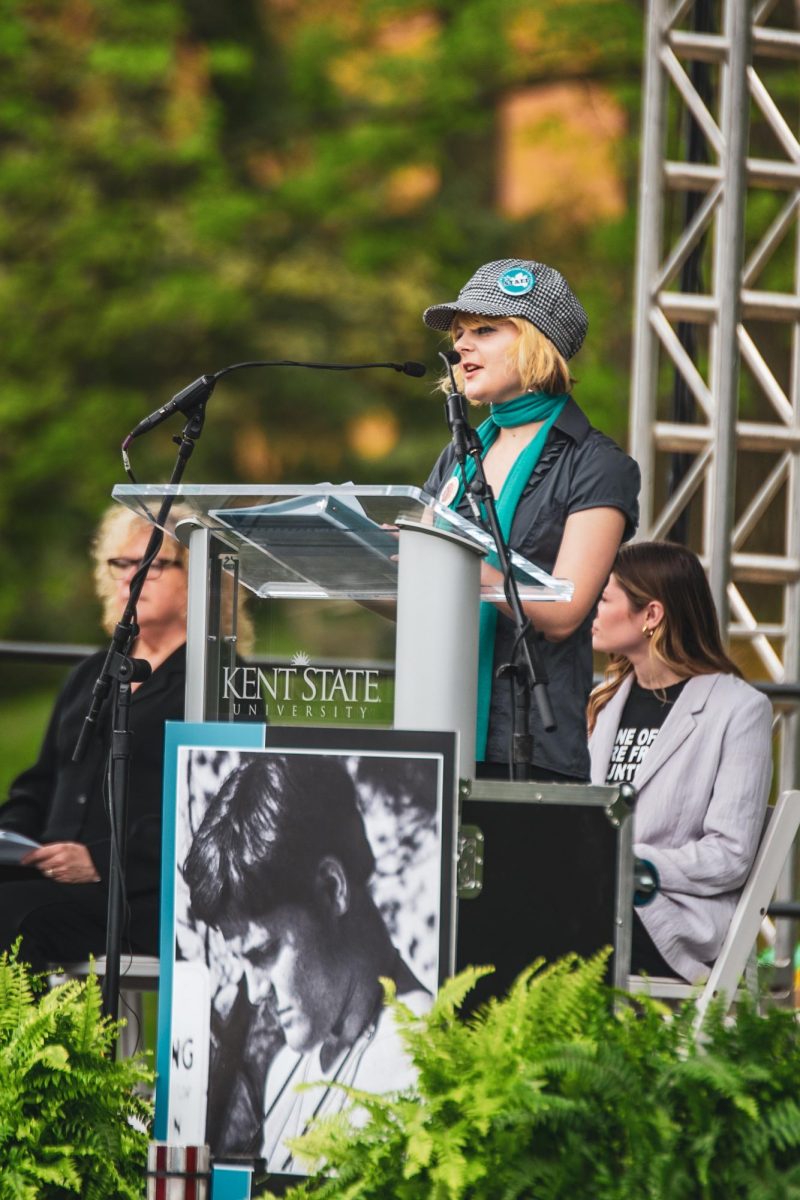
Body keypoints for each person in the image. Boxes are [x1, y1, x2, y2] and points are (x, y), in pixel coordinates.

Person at [0, 503, 252, 971]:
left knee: (15, 919)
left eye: (152, 565)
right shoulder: (89, 674)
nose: (131, 578)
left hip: (143, 896)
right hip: (48, 879)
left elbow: (222, 815)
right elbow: (38, 784)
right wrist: (11, 837)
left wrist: (101, 860)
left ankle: (38, 1047)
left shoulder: (221, 682)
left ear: (197, 577)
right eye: (121, 563)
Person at [422, 258, 640, 781]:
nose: (461, 347)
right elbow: (413, 602)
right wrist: (369, 563)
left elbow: (565, 611)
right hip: (431, 731)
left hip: (526, 753)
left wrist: (451, 565)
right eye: (458, 334)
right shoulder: (458, 454)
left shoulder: (598, 464)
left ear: (537, 342)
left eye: (484, 330)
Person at [182, 753, 431, 1174]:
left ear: (332, 889)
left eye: (265, 952)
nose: (257, 991)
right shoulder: (284, 1071)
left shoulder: (421, 1059)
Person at [588, 541, 773, 983]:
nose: (591, 608)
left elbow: (730, 854)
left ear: (650, 615)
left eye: (605, 597)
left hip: (672, 917)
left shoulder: (738, 708)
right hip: (596, 898)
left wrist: (631, 865)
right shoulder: (604, 701)